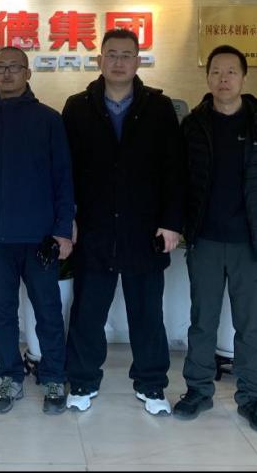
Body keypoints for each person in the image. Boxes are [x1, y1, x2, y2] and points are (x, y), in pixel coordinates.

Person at [62, 27, 185, 415]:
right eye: (111, 54)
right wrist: (68, 218)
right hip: (93, 228)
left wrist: (171, 222)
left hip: (144, 229)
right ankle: (83, 380)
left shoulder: (158, 108)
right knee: (87, 312)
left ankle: (151, 384)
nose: (118, 62)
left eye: (126, 55)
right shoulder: (78, 107)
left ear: (138, 61)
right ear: (99, 60)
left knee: (147, 314)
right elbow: (64, 171)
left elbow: (174, 171)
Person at [173, 44, 257, 434]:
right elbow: (182, 178)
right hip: (206, 240)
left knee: (249, 325)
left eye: (231, 72)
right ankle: (198, 391)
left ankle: (252, 397)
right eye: (216, 72)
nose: (223, 79)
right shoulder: (193, 126)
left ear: (243, 77)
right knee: (202, 321)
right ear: (207, 77)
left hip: (250, 243)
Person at [0, 47, 75, 415]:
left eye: (14, 67)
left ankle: (54, 377)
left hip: (40, 238)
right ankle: (10, 378)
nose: (7, 73)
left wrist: (63, 230)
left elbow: (64, 178)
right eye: (0, 67)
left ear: (28, 73)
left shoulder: (49, 120)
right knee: (1, 313)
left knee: (48, 311)